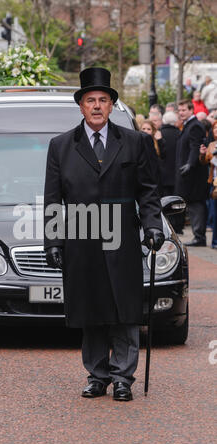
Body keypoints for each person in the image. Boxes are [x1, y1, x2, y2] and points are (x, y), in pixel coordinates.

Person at [44, 67, 164, 402]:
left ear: (111, 105)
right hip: (81, 238)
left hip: (122, 238)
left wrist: (153, 226)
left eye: (103, 100)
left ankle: (123, 376)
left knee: (125, 309)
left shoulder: (136, 142)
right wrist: (53, 240)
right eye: (90, 100)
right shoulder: (61, 146)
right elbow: (54, 198)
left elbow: (149, 194)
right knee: (90, 308)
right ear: (80, 106)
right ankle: (97, 375)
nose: (97, 106)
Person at [175, 99, 208, 246]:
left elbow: (195, 147)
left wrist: (190, 164)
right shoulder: (188, 125)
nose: (181, 113)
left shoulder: (194, 126)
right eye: (179, 110)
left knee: (196, 205)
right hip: (188, 174)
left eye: (183, 110)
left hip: (194, 175)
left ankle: (199, 237)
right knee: (193, 205)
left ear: (191, 110)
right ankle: (198, 236)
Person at [199, 121, 217, 249]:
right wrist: (202, 154)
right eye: (215, 128)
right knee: (215, 213)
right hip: (215, 183)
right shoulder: (212, 144)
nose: (216, 130)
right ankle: (215, 241)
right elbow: (205, 162)